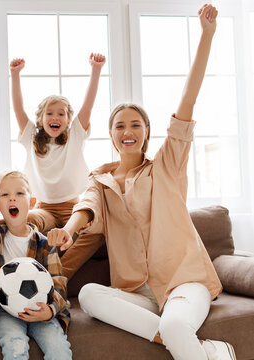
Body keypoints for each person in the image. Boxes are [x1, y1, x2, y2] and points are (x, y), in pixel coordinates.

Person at [47, 4, 236, 360]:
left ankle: (182, 338)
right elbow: (84, 209)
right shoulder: (100, 180)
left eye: (136, 124)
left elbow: (187, 102)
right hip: (136, 293)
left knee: (178, 325)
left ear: (147, 132)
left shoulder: (166, 166)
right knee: (88, 294)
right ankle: (207, 351)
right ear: (111, 135)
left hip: (183, 284)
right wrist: (68, 232)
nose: (128, 130)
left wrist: (207, 36)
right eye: (120, 125)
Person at [0, 153, 71, 360]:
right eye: (5, 195)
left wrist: (50, 310)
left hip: (41, 310)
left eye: (19, 193)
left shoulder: (46, 244)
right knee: (15, 348)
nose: (12, 198)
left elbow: (59, 283)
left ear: (32, 202)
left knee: (59, 350)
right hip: (5, 311)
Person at [10, 54, 106, 277]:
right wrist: (15, 75)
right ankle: (23, 272)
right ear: (41, 119)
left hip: (74, 209)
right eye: (50, 113)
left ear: (69, 120)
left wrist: (96, 70)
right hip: (44, 208)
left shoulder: (75, 136)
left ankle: (58, 275)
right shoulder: (32, 139)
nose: (55, 117)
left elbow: (88, 106)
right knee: (25, 220)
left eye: (61, 114)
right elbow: (18, 109)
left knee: (96, 233)